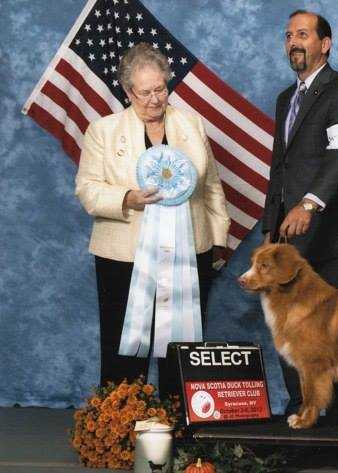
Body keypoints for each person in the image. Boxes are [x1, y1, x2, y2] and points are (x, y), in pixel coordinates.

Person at [75, 43, 230, 395]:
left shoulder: (191, 123)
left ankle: (180, 427)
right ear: (128, 91)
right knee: (123, 346)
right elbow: (87, 190)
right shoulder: (103, 130)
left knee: (181, 346)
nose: (155, 99)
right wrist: (127, 198)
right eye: (144, 92)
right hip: (123, 256)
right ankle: (120, 433)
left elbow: (211, 185)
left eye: (161, 89)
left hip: (191, 250)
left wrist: (219, 236)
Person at [262, 10, 338, 422]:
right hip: (287, 243)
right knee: (290, 333)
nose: (294, 41)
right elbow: (281, 168)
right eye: (288, 34)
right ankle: (300, 413)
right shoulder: (284, 99)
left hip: (333, 238)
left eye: (303, 34)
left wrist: (309, 204)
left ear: (325, 44)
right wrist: (270, 230)